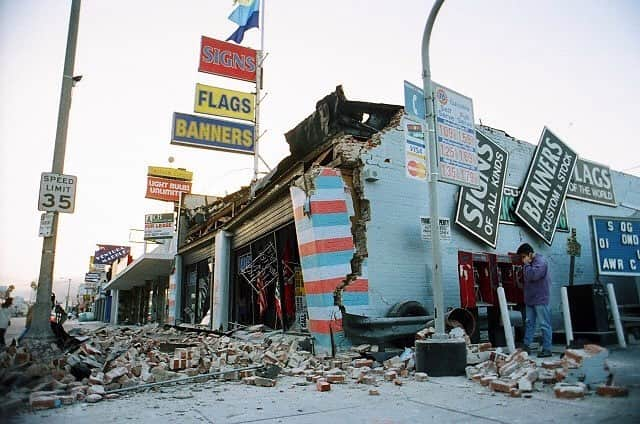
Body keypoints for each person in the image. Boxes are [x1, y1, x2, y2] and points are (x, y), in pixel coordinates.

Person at [517, 243, 552, 358]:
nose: (523, 260)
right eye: (521, 258)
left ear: (530, 254)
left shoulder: (540, 262)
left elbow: (533, 275)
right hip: (530, 299)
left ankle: (547, 349)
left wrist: (526, 265)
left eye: (523, 257)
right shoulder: (530, 263)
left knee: (544, 324)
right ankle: (527, 345)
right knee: (529, 323)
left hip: (540, 299)